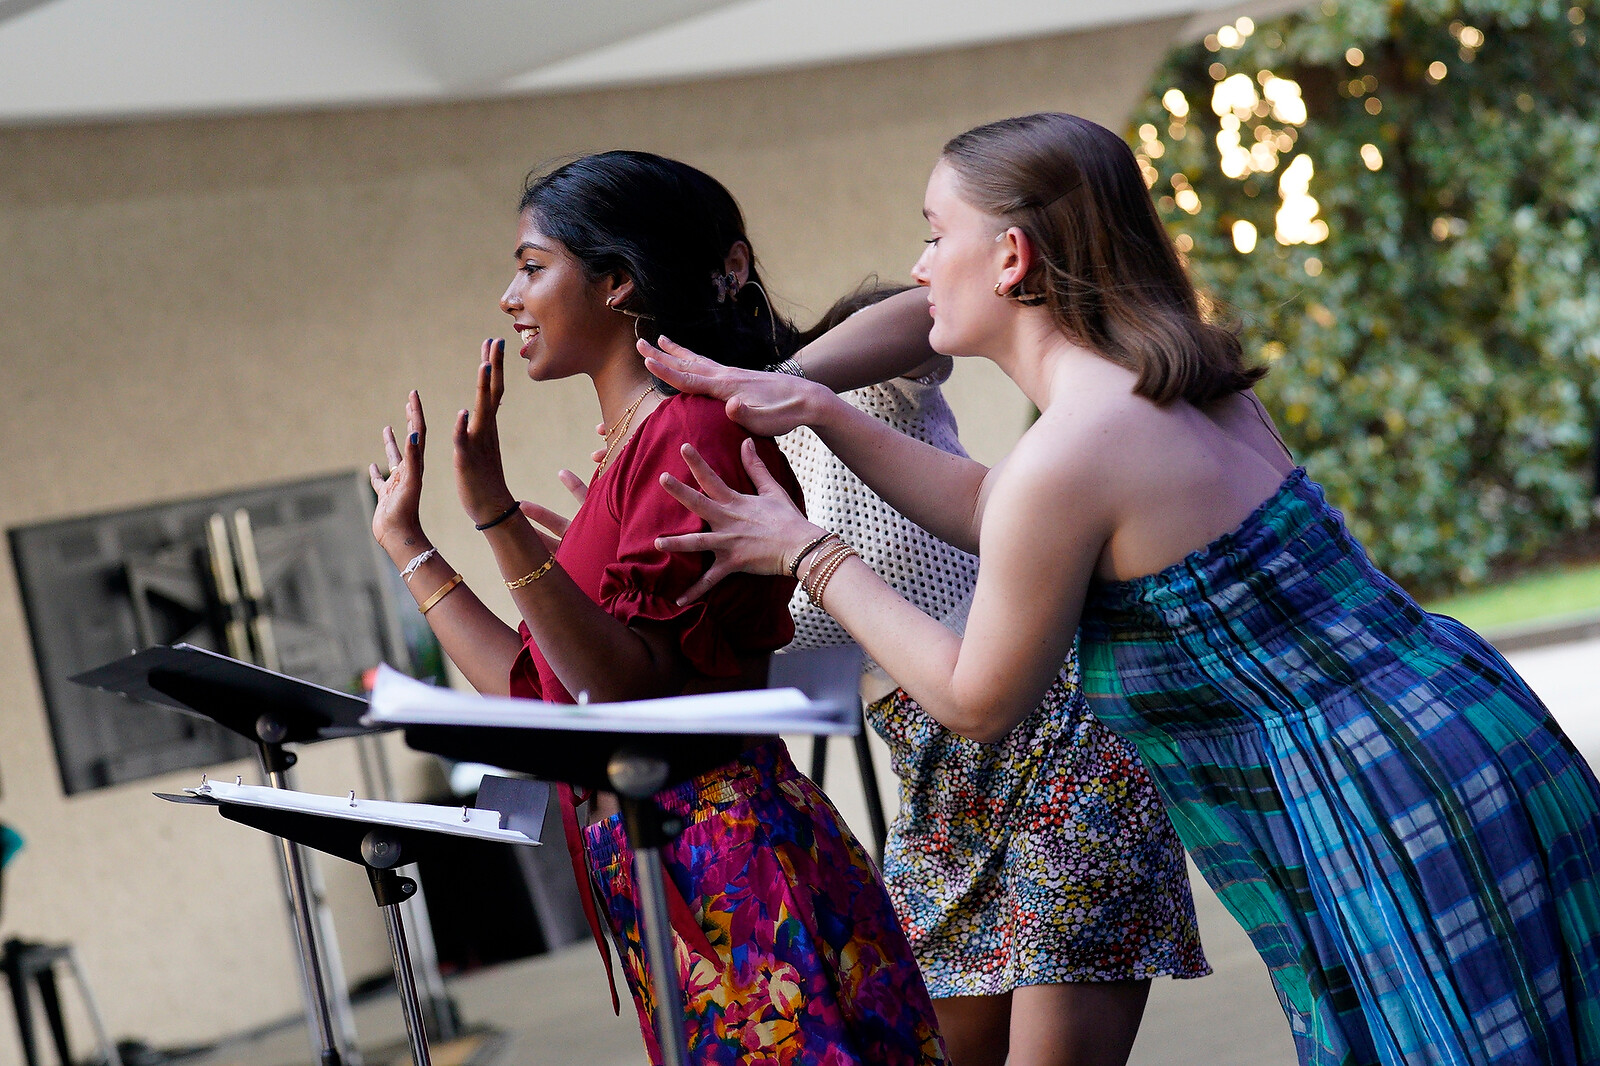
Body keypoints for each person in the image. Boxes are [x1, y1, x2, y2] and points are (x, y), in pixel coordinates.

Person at [638, 113, 1600, 1066]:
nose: (923, 266)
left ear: (1012, 256)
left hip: (1379, 797)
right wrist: (805, 402)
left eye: (937, 235)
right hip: (1451, 734)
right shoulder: (1167, 377)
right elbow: (994, 508)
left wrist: (810, 553)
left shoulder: (1077, 448)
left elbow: (977, 699)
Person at [368, 150, 945, 1066]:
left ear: (618, 282)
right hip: (659, 860)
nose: (509, 297)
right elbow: (539, 691)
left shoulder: (692, 429)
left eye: (530, 265)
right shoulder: (629, 451)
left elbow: (619, 690)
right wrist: (411, 546)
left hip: (726, 853)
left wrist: (495, 515)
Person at [774, 284, 1207, 1066]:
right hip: (937, 793)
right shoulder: (710, 486)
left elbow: (926, 310)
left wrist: (785, 381)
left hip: (1063, 745)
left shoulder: (852, 377)